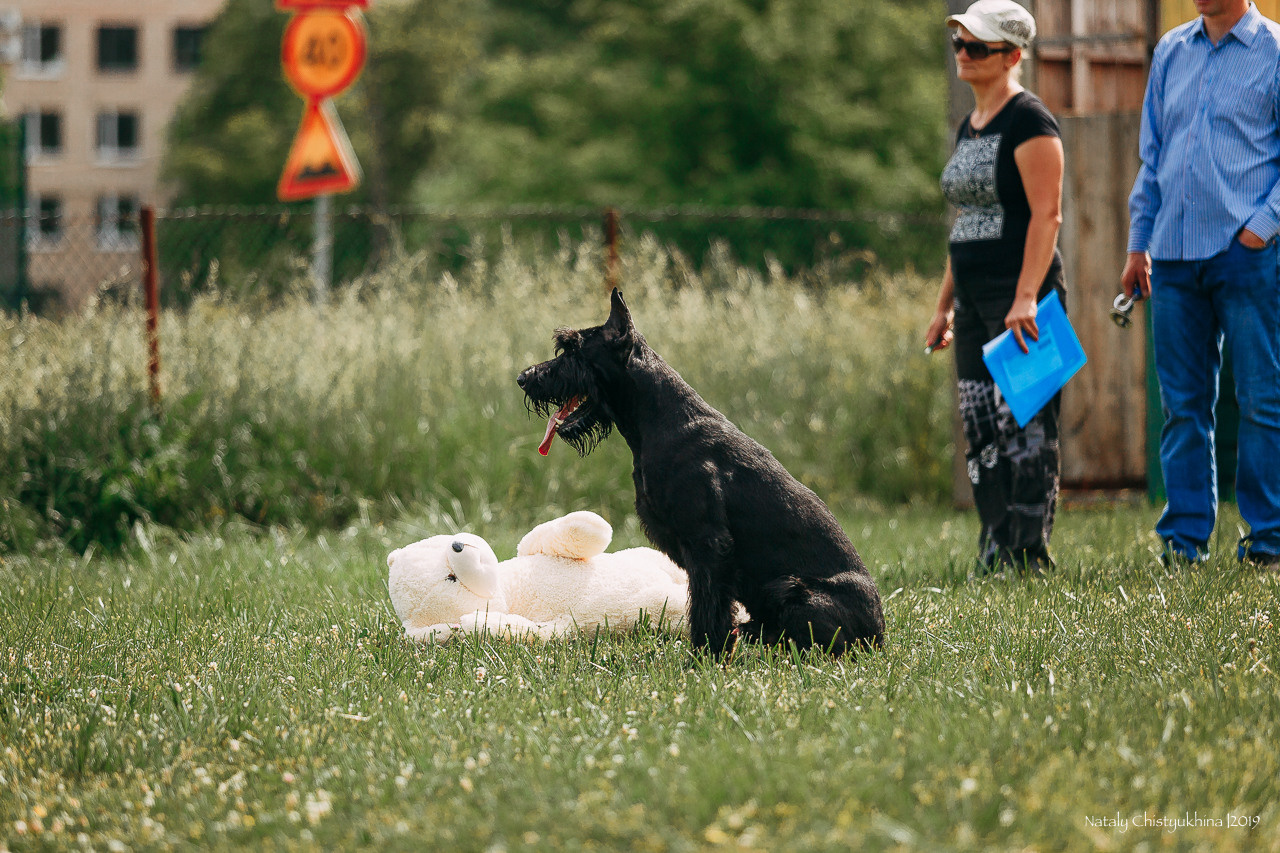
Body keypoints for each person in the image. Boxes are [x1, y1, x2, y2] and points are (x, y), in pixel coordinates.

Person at [1121, 0, 1280, 569]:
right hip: (1172, 257)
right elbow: (1153, 158)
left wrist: (1259, 231)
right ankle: (1184, 543)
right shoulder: (1170, 51)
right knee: (1183, 407)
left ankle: (1268, 541)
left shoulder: (1275, 50)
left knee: (1262, 400)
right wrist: (1139, 243)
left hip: (1245, 257)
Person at [925, 0, 1066, 575]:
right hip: (974, 300)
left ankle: (1028, 552)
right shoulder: (969, 125)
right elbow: (967, 224)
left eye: (977, 47)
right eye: (959, 43)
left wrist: (1027, 295)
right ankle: (995, 545)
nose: (963, 53)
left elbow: (1047, 216)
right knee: (981, 426)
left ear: (1011, 56)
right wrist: (943, 306)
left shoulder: (1030, 122)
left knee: (1028, 425)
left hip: (1021, 300)